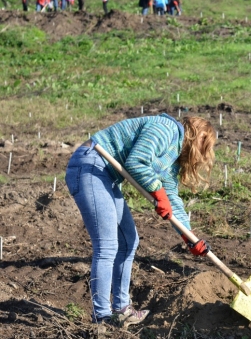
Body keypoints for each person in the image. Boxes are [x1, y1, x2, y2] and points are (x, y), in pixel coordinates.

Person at [65, 115, 215, 326]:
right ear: (196, 135)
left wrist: (190, 237)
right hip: (91, 166)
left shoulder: (172, 159)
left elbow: (171, 198)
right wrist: (157, 191)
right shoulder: (167, 129)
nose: (203, 153)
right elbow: (136, 162)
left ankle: (121, 308)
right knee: (107, 245)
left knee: (129, 241)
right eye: (204, 145)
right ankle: (102, 316)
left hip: (106, 176)